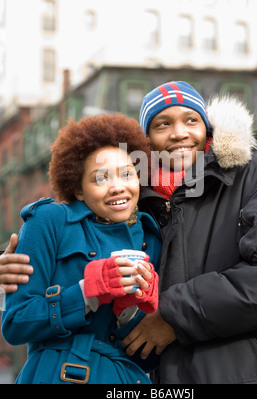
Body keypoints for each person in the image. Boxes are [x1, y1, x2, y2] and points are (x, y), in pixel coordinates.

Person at [2, 81, 257, 384]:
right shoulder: (141, 212)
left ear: (208, 128)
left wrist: (169, 316)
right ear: (148, 143)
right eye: (162, 124)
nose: (179, 133)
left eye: (191, 120)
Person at [1, 114, 161, 384]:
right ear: (78, 189)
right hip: (58, 374)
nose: (118, 187)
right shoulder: (49, 221)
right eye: (100, 179)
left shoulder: (149, 236)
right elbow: (16, 324)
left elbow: (145, 357)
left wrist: (130, 313)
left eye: (126, 174)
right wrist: (87, 293)